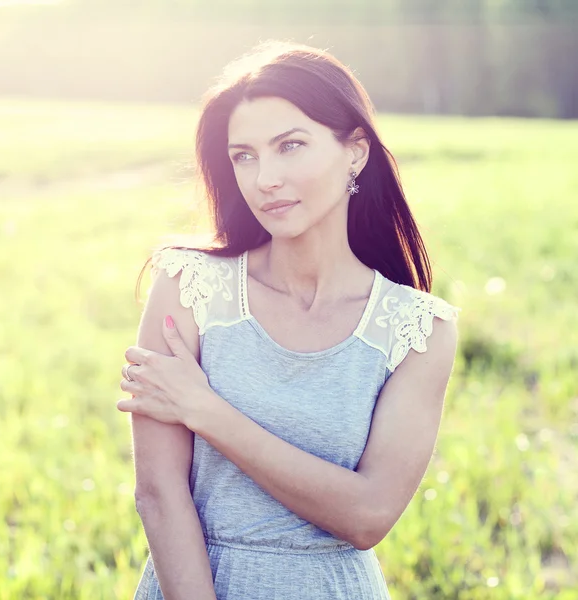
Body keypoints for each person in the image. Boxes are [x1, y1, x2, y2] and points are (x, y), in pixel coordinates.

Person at [116, 40, 460, 600]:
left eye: (290, 146)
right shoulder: (188, 287)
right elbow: (157, 491)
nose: (264, 178)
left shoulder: (418, 331)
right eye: (244, 156)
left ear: (355, 152)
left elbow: (368, 515)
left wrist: (207, 411)